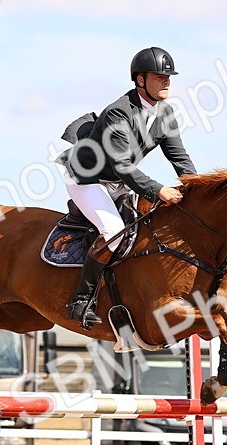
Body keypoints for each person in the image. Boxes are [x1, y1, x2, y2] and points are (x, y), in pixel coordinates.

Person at [57, 46, 197, 329]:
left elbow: (179, 158)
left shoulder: (165, 113)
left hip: (118, 181)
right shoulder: (117, 113)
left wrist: (198, 190)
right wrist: (158, 190)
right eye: (159, 76)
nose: (167, 81)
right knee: (112, 233)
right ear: (140, 80)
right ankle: (80, 301)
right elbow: (122, 165)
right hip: (87, 178)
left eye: (168, 76)